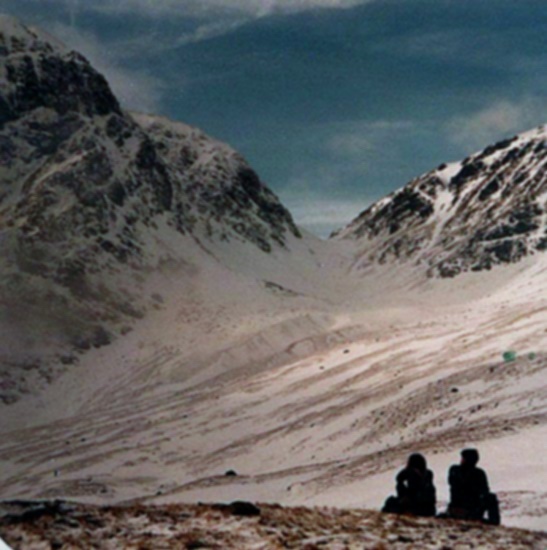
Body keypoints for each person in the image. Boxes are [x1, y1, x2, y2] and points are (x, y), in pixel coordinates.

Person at [447, 448, 500, 525]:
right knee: (490, 498)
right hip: (466, 508)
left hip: (465, 508)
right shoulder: (477, 473)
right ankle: (494, 522)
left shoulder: (455, 470)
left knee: (489, 497)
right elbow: (484, 491)